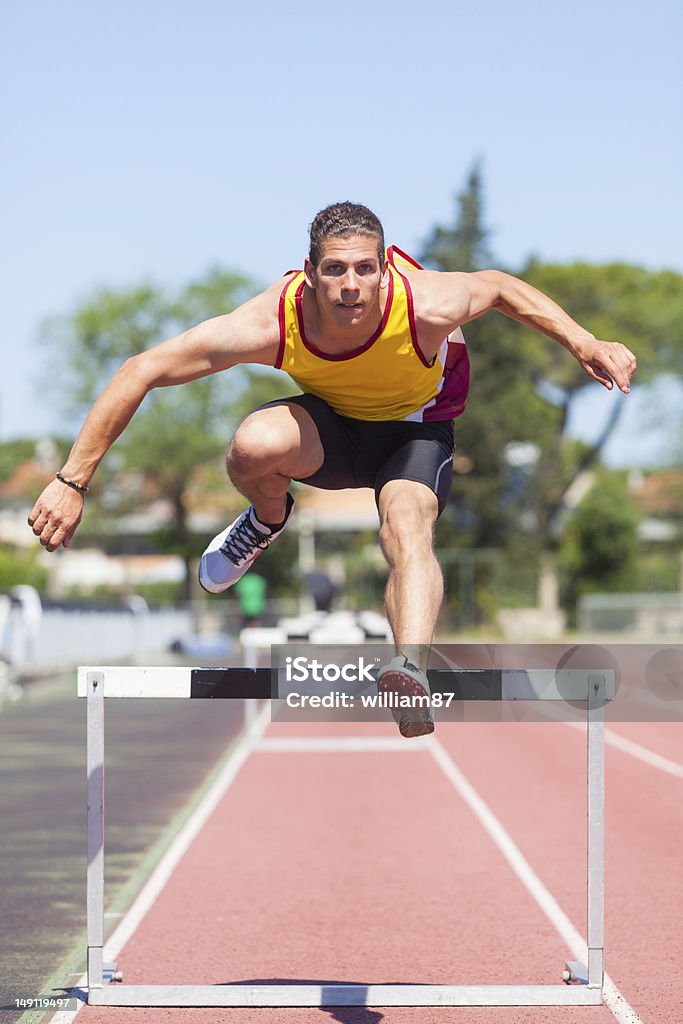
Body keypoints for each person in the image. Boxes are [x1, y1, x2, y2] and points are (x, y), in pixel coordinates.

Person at [28, 202, 637, 738]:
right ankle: (267, 519)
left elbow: (501, 286)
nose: (351, 286)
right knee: (252, 445)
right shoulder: (274, 321)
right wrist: (71, 480)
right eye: (335, 270)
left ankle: (410, 670)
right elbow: (144, 368)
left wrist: (584, 342)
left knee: (406, 525)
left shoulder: (426, 303)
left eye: (365, 269)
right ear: (310, 272)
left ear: (384, 270)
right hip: (334, 430)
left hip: (416, 432)